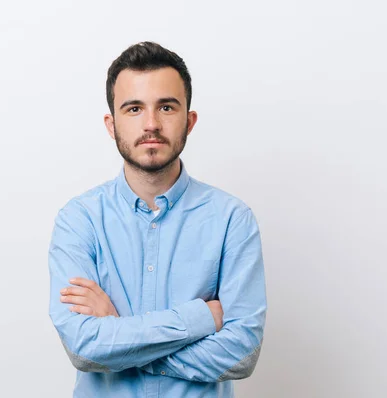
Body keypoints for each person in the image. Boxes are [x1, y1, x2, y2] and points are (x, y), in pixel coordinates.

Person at [48, 41, 267, 398]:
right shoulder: (79, 220)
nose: (151, 124)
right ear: (111, 123)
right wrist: (199, 320)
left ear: (189, 120)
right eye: (134, 108)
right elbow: (82, 348)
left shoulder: (232, 220)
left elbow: (241, 356)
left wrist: (118, 334)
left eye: (166, 107)